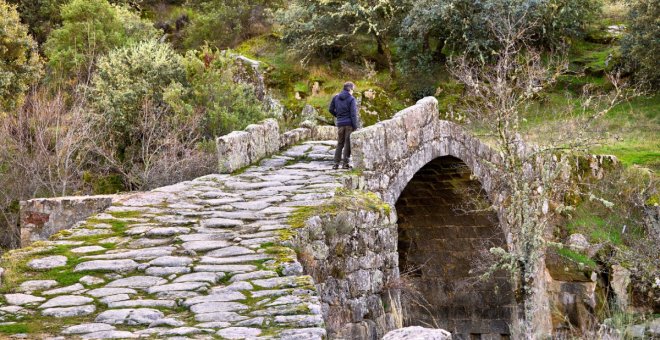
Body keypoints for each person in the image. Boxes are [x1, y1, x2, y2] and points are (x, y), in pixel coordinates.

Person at [329, 81, 359, 170]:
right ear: (349, 89)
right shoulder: (351, 99)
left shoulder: (336, 97)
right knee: (347, 143)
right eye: (353, 89)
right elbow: (353, 114)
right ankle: (345, 164)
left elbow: (330, 109)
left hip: (340, 123)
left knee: (340, 143)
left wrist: (338, 116)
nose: (353, 91)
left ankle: (336, 163)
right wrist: (355, 126)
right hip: (349, 124)